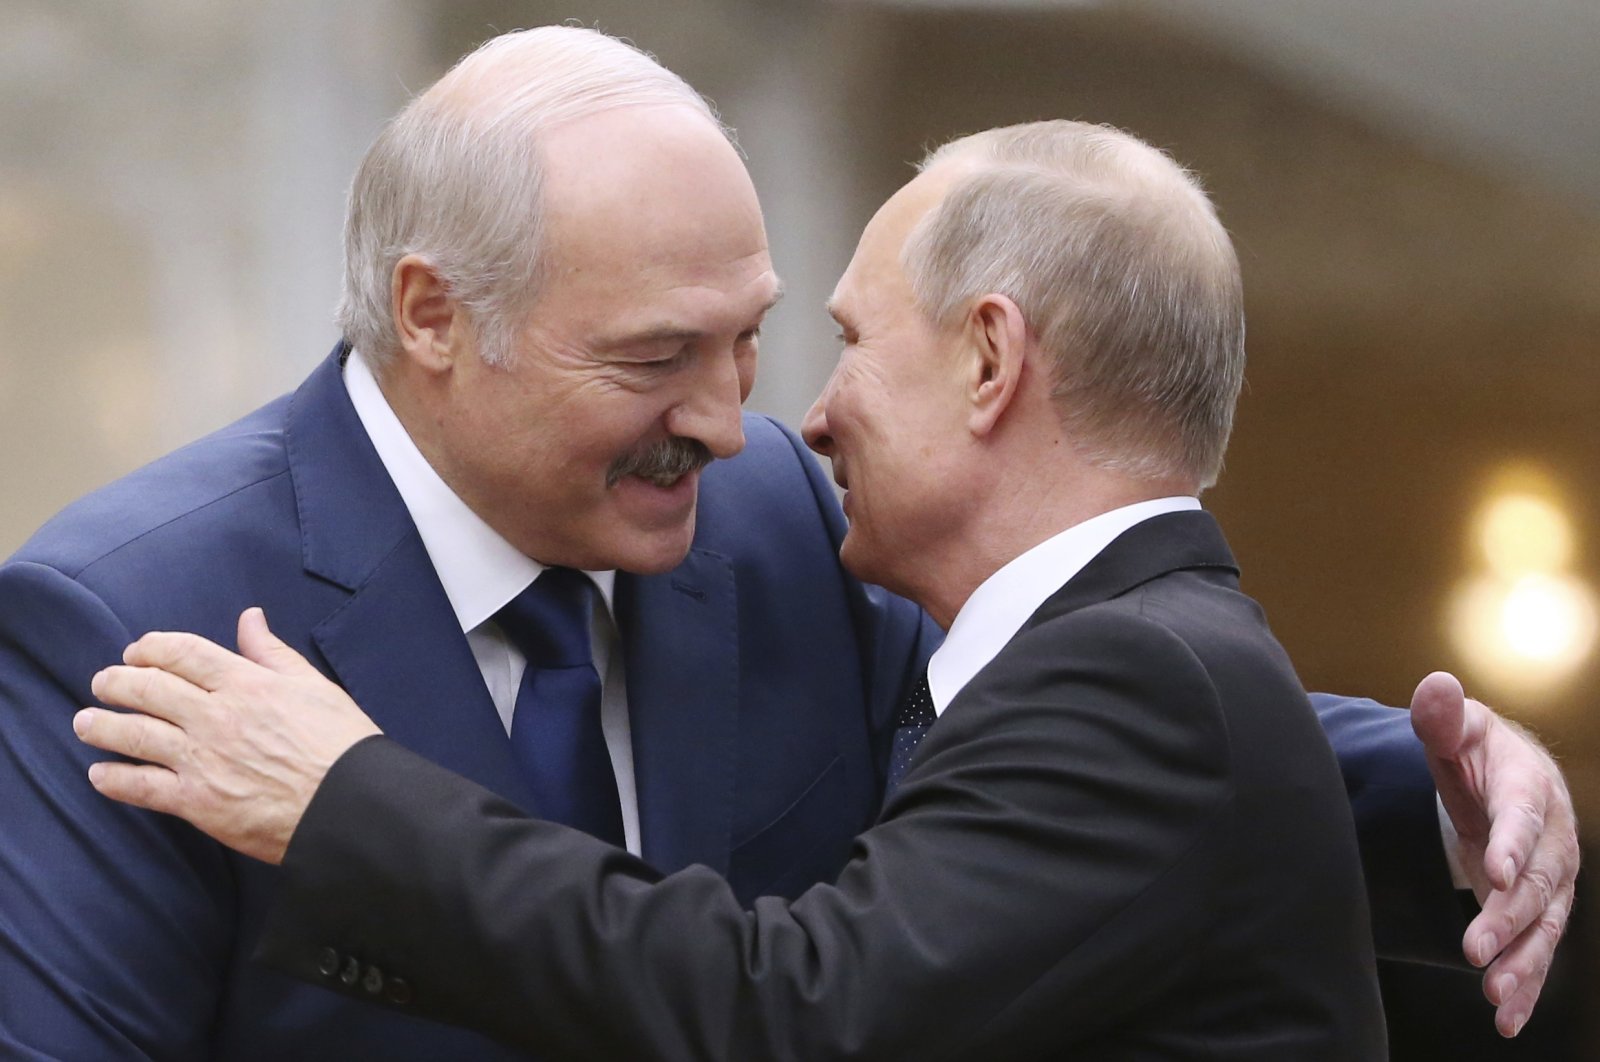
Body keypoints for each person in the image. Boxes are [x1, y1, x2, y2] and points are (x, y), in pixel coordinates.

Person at [0, 24, 1569, 1059]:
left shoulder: (766, 522)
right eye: (653, 357)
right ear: (433, 315)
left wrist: (1424, 792)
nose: (741, 416)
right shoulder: (135, 619)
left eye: (750, 337)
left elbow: (1042, 739)